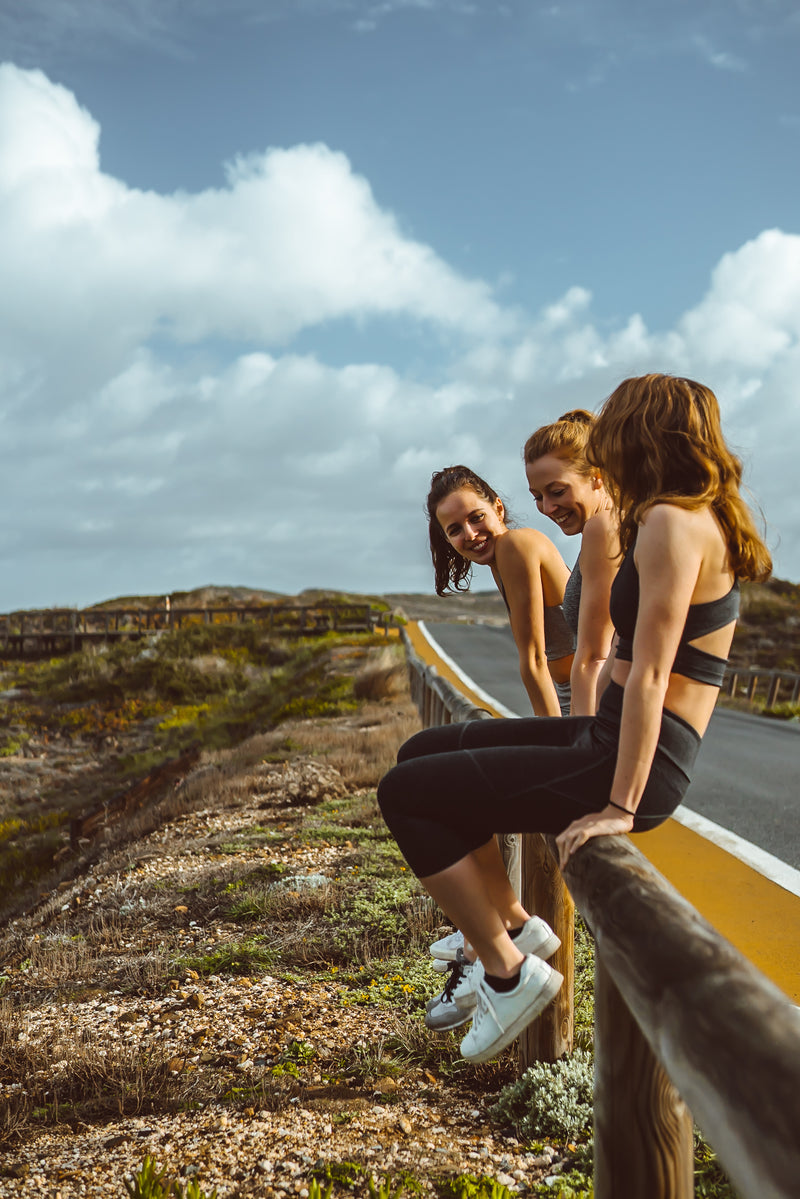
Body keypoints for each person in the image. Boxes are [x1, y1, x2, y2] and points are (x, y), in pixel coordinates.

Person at [378, 374, 771, 1064]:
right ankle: (513, 929)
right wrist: (573, 735)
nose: (605, 441)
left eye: (613, 428)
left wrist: (620, 804)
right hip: (603, 738)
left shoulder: (674, 525)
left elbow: (649, 672)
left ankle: (506, 969)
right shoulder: (664, 517)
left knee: (402, 794)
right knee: (421, 752)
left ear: (644, 434)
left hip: (632, 761)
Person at [427, 466, 574, 718]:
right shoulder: (502, 559)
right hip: (574, 699)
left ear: (498, 508)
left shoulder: (515, 546)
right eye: (455, 530)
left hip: (586, 701)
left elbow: (534, 660)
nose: (470, 534)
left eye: (476, 517)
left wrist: (554, 740)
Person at [523, 411, 620, 715]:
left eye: (557, 491)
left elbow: (595, 656)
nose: (548, 507)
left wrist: (577, 742)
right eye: (537, 497)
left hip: (603, 720)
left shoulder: (603, 529)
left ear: (597, 477)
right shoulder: (612, 525)